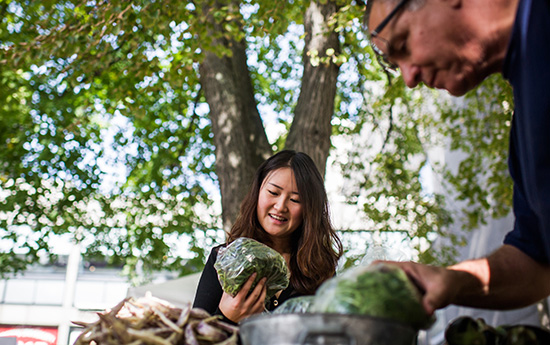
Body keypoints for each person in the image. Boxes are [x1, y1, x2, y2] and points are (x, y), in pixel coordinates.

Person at [363, 0, 550, 316]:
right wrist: (452, 280)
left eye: (403, 43)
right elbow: (536, 260)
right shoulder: (524, 128)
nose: (408, 79)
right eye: (395, 64)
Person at [192, 150, 343, 323]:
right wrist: (226, 316)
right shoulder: (223, 260)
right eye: (273, 192)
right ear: (258, 192)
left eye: (295, 200)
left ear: (309, 210)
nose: (280, 207)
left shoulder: (320, 271)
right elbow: (194, 341)